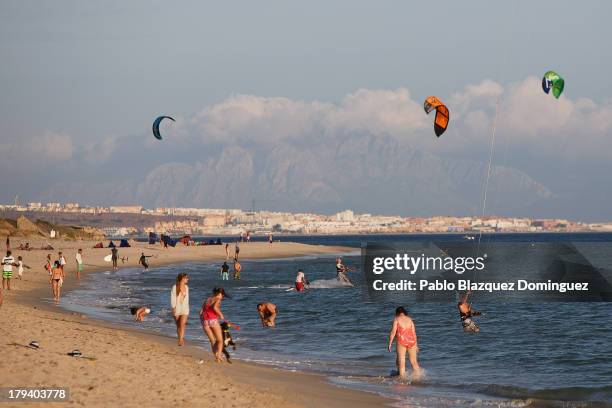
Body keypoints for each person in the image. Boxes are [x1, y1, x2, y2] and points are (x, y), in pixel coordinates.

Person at [388, 306, 421, 378]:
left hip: (402, 340)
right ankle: (419, 377)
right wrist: (416, 345)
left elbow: (393, 332)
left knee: (401, 361)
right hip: (412, 341)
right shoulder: (410, 319)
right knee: (414, 362)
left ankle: (402, 379)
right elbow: (414, 333)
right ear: (404, 312)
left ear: (397, 313)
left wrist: (390, 343)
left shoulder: (397, 319)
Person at [200, 287, 230, 363]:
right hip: (213, 321)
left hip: (205, 322)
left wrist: (203, 322)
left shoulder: (207, 300)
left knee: (212, 340)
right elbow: (215, 307)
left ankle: (216, 355)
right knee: (220, 340)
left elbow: (200, 312)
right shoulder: (218, 299)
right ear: (220, 294)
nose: (222, 297)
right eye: (222, 295)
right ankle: (218, 356)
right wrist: (221, 315)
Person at [170, 273, 190, 346]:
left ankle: (181, 340)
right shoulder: (174, 287)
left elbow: (187, 299)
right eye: (186, 278)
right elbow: (173, 298)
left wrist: (187, 308)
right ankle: (180, 338)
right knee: (178, 325)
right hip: (177, 308)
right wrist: (173, 308)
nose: (187, 279)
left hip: (185, 309)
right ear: (182, 279)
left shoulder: (187, 287)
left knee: (182, 324)